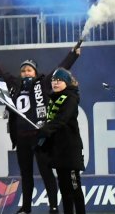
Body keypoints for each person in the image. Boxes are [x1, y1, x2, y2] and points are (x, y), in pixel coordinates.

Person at [0, 41, 83, 213]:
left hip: (40, 136)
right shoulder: (15, 84)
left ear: (35, 72)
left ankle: (53, 207)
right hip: (21, 137)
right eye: (23, 70)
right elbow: (1, 72)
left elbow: (61, 68)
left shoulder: (43, 82)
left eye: (29, 70)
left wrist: (73, 54)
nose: (26, 73)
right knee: (26, 174)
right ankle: (26, 207)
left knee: (46, 172)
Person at [36, 68, 84, 214]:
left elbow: (62, 119)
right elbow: (52, 122)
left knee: (75, 188)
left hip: (70, 151)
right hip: (58, 150)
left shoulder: (71, 97)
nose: (55, 83)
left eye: (59, 80)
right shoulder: (54, 98)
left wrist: (46, 129)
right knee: (64, 189)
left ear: (67, 82)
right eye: (53, 80)